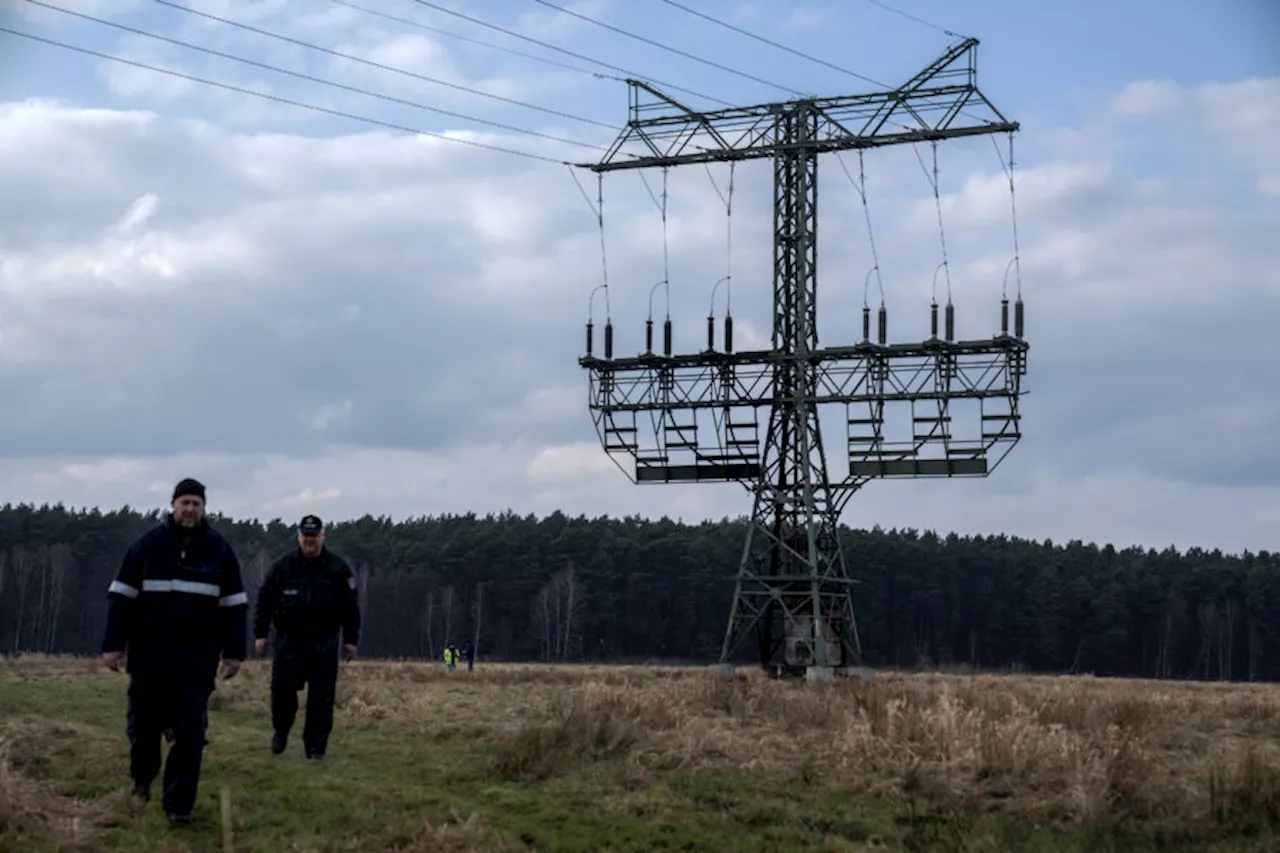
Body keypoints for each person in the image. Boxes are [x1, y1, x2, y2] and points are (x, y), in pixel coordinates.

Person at [101, 477, 247, 826]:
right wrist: (112, 645)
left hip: (196, 661)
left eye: (197, 503)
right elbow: (121, 599)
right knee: (144, 729)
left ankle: (179, 806)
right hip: (149, 657)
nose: (191, 509)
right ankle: (142, 779)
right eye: (185, 502)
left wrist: (234, 653)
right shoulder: (146, 547)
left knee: (190, 732)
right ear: (173, 505)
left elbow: (234, 605)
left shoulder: (219, 550)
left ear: (204, 508)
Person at [253, 514, 360, 760]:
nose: (309, 540)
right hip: (289, 640)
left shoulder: (338, 569)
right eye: (305, 535)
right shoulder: (282, 567)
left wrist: (351, 640)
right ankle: (281, 730)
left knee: (321, 698)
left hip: (324, 641)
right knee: (282, 692)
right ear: (299, 536)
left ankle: (315, 749)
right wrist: (261, 634)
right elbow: (264, 601)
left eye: (314, 535)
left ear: (323, 536)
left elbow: (351, 609)